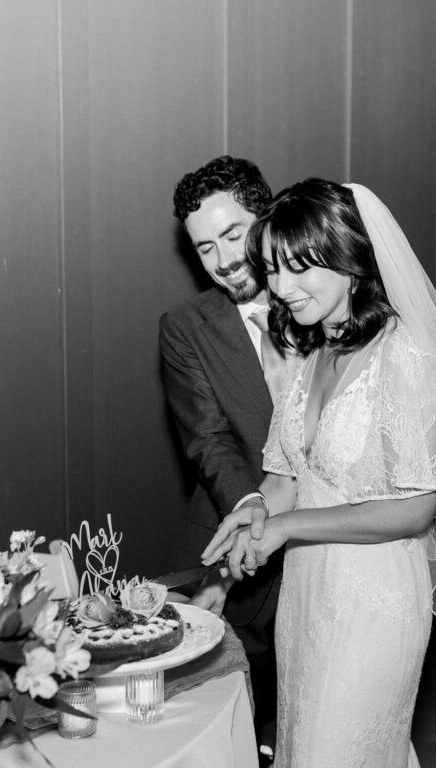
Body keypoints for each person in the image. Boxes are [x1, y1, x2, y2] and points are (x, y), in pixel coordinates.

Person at [201, 179, 436, 767]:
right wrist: (253, 513)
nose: (280, 287)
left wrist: (286, 526)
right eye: (272, 268)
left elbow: (417, 509)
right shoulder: (309, 355)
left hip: (376, 599)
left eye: (300, 267)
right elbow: (284, 478)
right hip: (309, 592)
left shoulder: (406, 361)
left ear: (349, 260)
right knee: (308, 742)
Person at [159, 155, 284, 760]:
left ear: (267, 217)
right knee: (206, 729)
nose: (225, 259)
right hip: (224, 540)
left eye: (233, 235)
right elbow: (209, 439)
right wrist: (252, 507)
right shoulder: (185, 327)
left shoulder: (323, 297)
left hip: (323, 546)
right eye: (205, 248)